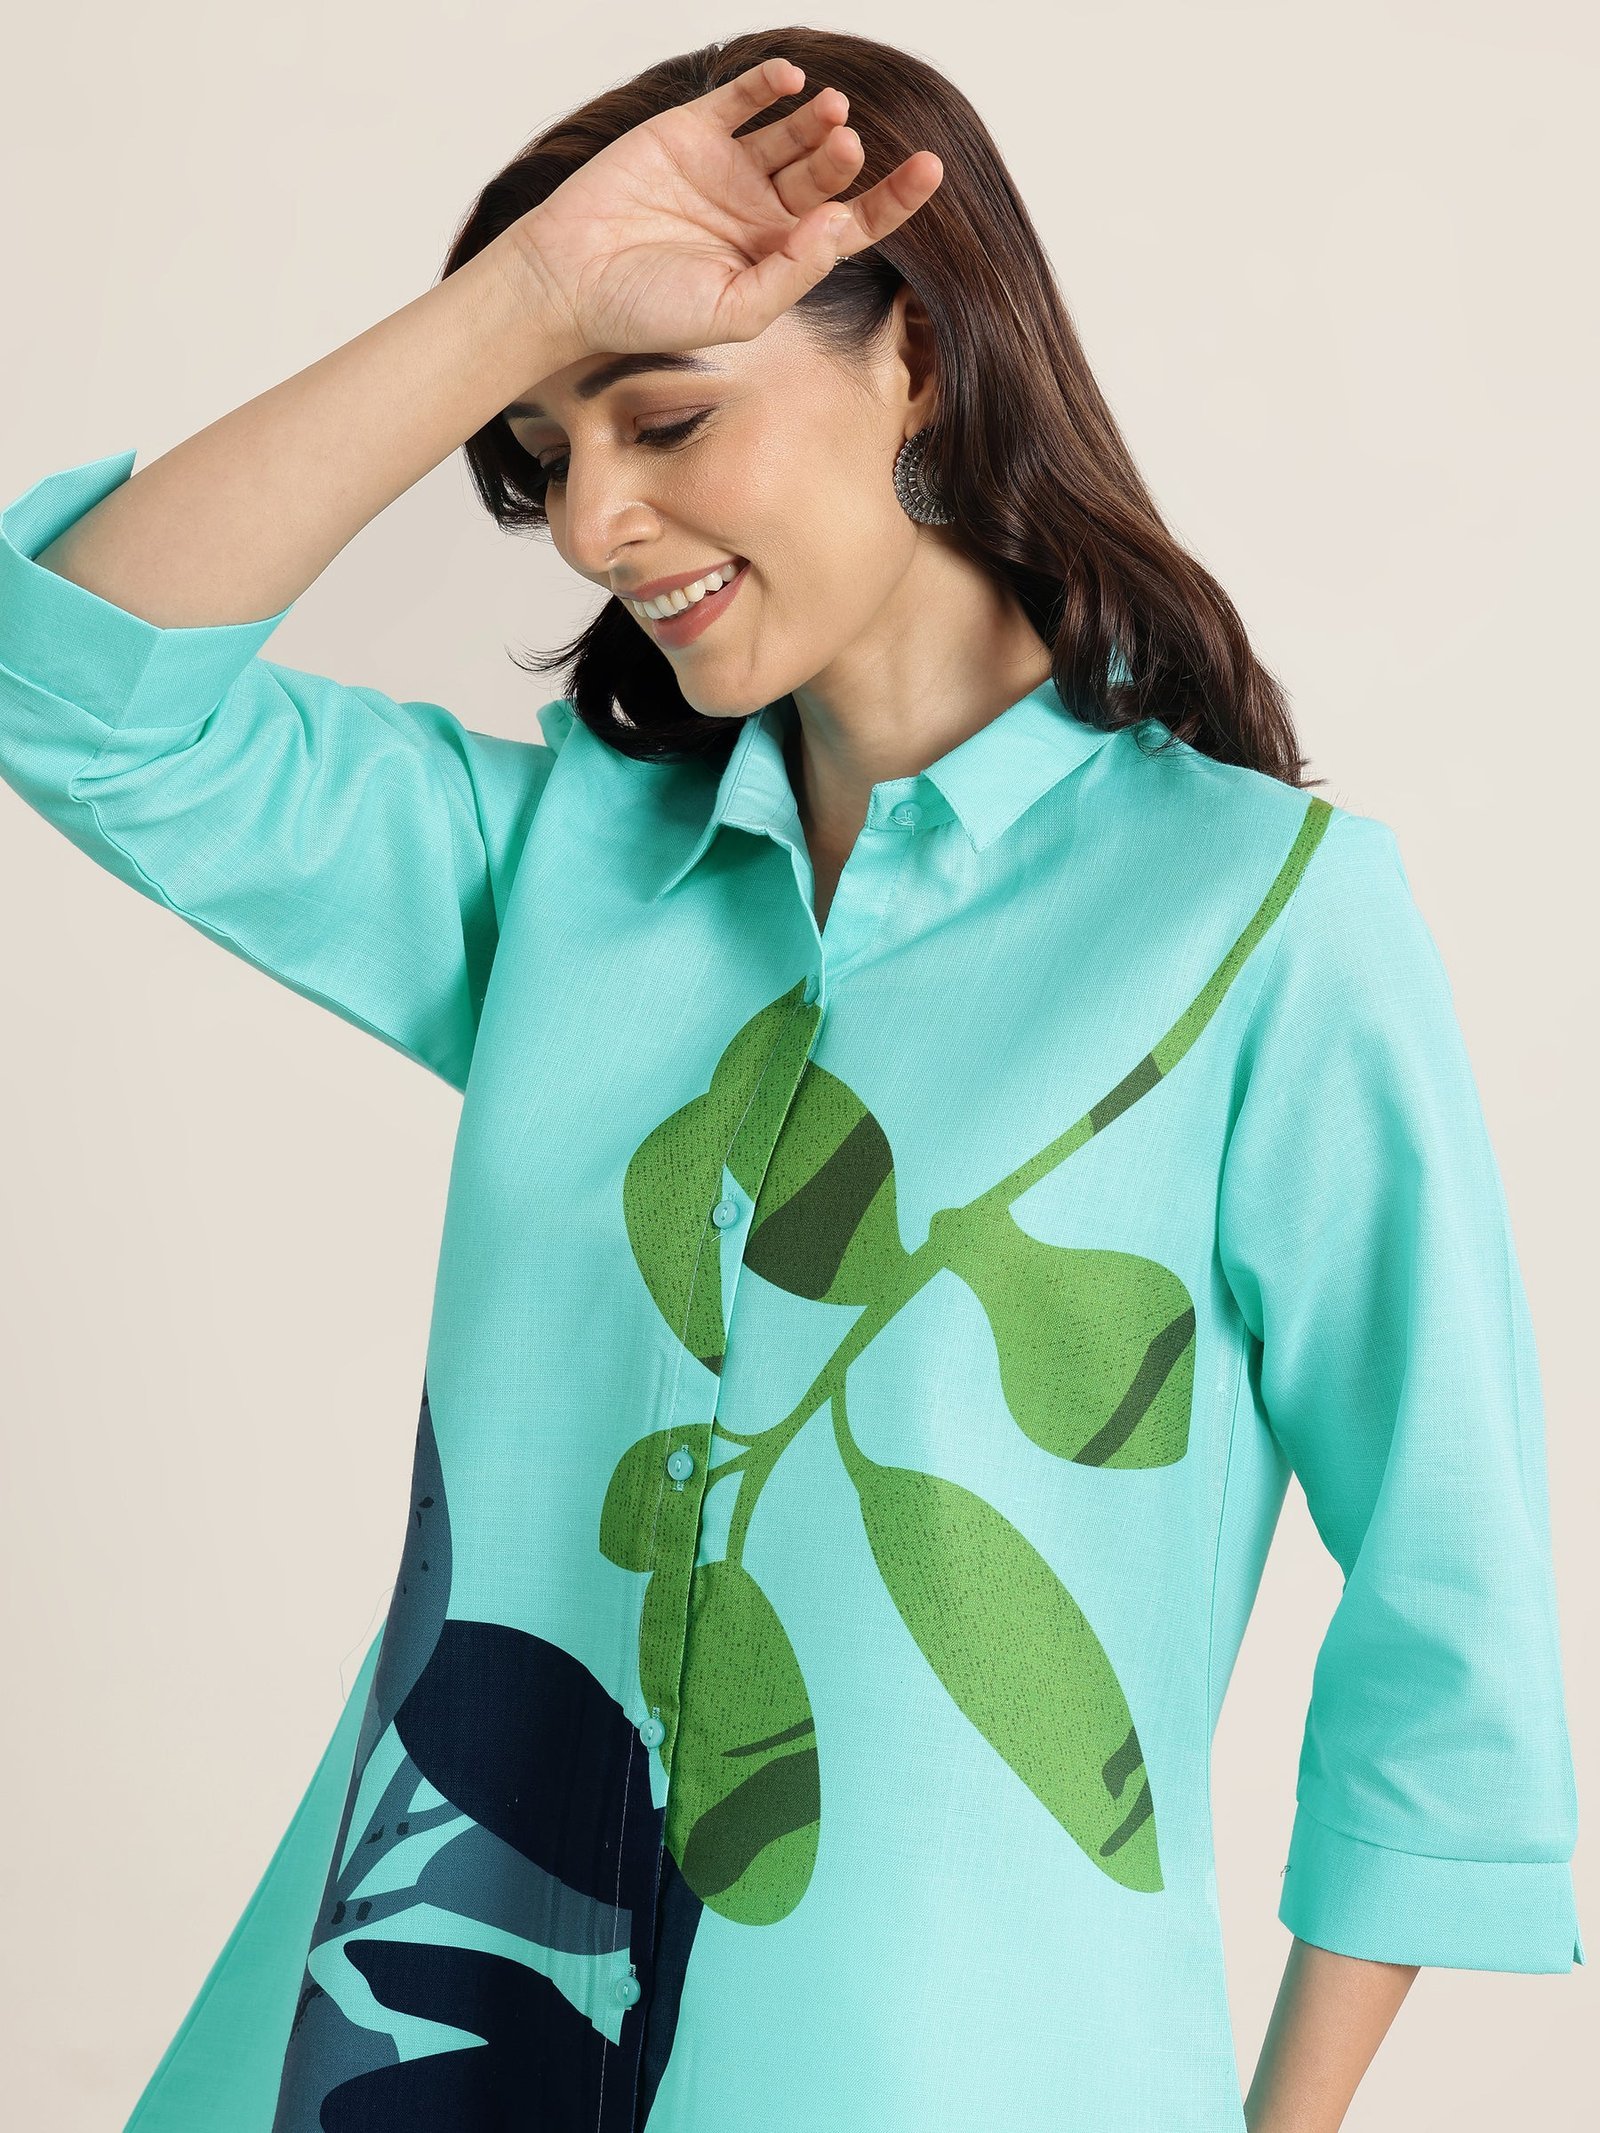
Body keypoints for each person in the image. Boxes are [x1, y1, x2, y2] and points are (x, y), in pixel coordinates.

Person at [0, 30, 1582, 2133]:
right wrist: (529, 299)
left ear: (912, 356)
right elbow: (73, 687)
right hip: (436, 2054)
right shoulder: (560, 879)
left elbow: (1448, 1611)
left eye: (663, 417)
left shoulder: (1261, 922)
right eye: (540, 453)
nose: (592, 522)